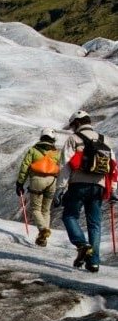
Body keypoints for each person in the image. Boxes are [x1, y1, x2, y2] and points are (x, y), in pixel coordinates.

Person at [53, 110, 118, 273]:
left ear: (77, 123)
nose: (72, 129)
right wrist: (114, 190)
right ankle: (93, 262)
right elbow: (114, 168)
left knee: (69, 216)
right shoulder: (105, 141)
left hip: (78, 185)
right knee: (94, 224)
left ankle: (81, 244)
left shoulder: (73, 139)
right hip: (99, 186)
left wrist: (60, 189)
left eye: (73, 125)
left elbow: (65, 165)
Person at [15, 128, 60, 246]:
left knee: (35, 209)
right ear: (53, 139)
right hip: (52, 181)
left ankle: (43, 229)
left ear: (41, 137)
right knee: (46, 210)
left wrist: (20, 183)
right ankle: (43, 238)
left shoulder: (33, 150)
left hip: (37, 180)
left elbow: (25, 167)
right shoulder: (56, 152)